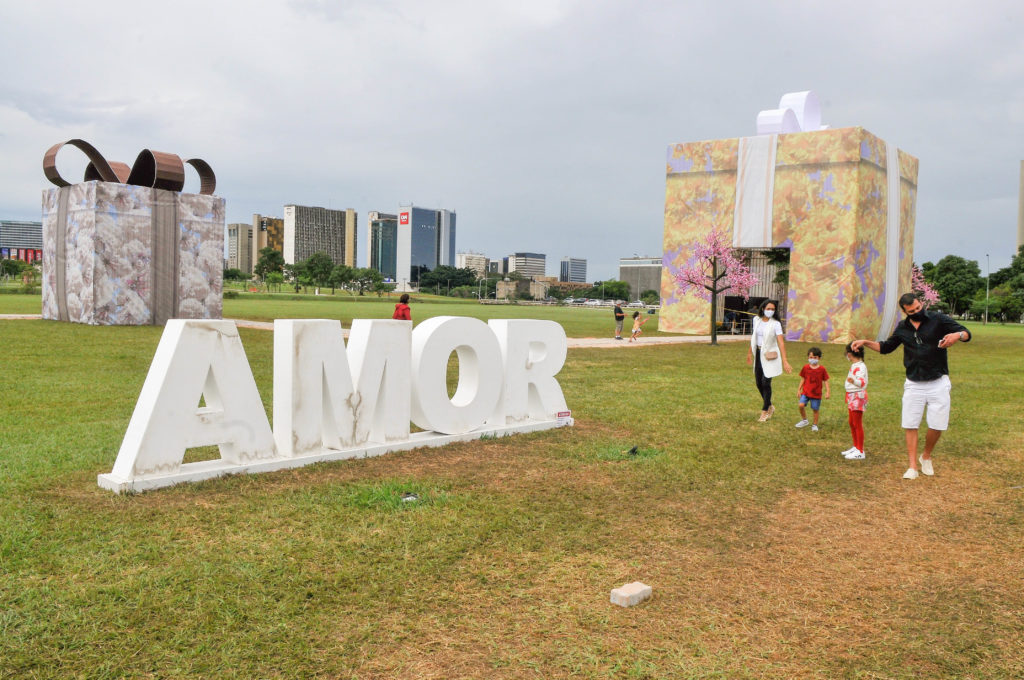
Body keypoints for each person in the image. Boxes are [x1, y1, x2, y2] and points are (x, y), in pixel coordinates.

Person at [851, 292, 972, 479]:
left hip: (938, 382)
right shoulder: (902, 328)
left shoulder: (937, 319)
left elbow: (967, 333)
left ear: (920, 303)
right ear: (905, 311)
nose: (917, 311)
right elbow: (886, 348)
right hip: (914, 384)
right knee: (910, 424)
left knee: (937, 425)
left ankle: (926, 456)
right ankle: (912, 466)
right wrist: (866, 342)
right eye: (912, 311)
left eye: (918, 307)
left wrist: (957, 335)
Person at [746, 299, 792, 421]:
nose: (770, 311)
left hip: (770, 356)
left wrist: (785, 360)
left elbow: (781, 342)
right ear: (762, 308)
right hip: (758, 353)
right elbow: (754, 338)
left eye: (772, 309)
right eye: (768, 309)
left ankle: (765, 410)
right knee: (758, 383)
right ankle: (770, 405)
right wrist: (750, 352)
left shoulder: (775, 324)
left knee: (766, 382)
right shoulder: (757, 320)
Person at [841, 343, 868, 460]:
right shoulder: (855, 365)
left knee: (857, 423)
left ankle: (860, 450)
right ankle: (856, 446)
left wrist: (853, 382)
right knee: (852, 422)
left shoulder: (861, 367)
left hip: (858, 396)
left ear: (849, 354)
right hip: (852, 395)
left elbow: (861, 382)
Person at [795, 347, 830, 432]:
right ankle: (804, 420)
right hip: (806, 392)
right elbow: (803, 379)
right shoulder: (805, 368)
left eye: (815, 357)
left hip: (816, 394)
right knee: (801, 405)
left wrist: (828, 391)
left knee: (815, 409)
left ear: (819, 358)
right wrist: (799, 389)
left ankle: (814, 425)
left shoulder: (822, 369)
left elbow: (825, 381)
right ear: (808, 358)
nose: (813, 359)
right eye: (811, 357)